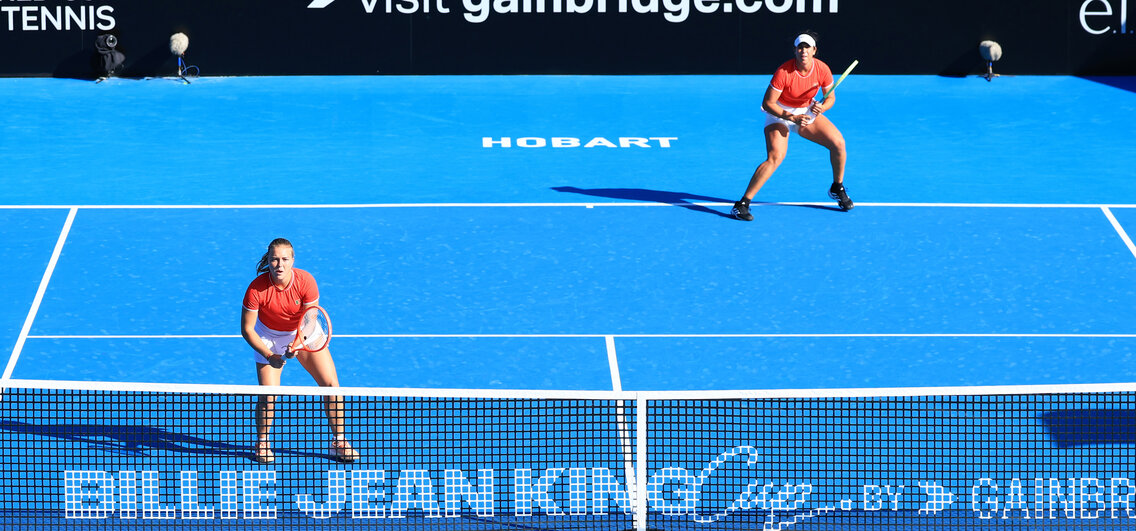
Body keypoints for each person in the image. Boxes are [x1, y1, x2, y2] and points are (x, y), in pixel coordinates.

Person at [240, 238, 360, 464]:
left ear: (293, 260)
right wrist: (269, 355)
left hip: (304, 331)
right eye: (275, 259)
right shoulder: (256, 289)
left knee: (332, 386)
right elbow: (247, 329)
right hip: (269, 337)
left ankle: (339, 442)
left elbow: (310, 321)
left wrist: (296, 344)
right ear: (268, 260)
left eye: (285, 259)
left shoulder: (306, 281)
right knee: (268, 396)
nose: (280, 265)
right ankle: (262, 443)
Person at [732, 31, 853, 222]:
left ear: (814, 50)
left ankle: (837, 188)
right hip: (779, 113)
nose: (803, 51)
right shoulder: (784, 72)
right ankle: (741, 205)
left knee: (838, 143)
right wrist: (791, 117)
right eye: (800, 47)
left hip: (806, 112)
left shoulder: (822, 69)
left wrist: (822, 107)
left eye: (807, 47)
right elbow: (768, 103)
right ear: (795, 50)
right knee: (775, 157)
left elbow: (830, 98)